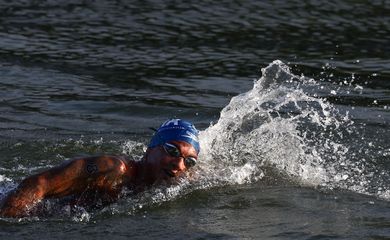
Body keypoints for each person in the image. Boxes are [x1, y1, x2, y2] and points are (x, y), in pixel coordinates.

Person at [0, 119, 200, 218]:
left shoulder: (175, 180)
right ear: (150, 149)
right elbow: (39, 184)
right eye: (172, 151)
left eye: (189, 161)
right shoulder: (113, 169)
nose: (179, 164)